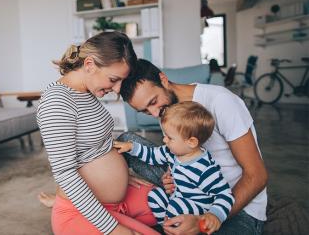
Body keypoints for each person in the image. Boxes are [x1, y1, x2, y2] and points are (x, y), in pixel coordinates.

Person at [118, 58, 268, 235]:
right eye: (144, 111)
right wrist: (172, 173)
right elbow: (179, 153)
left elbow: (257, 176)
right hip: (191, 193)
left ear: (163, 80)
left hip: (236, 206)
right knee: (125, 140)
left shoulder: (220, 101)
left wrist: (204, 221)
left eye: (152, 102)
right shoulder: (165, 110)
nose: (154, 113)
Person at [36, 32, 159, 235]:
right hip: (80, 211)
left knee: (172, 208)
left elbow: (94, 145)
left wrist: (119, 176)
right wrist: (113, 229)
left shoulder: (85, 91)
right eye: (113, 79)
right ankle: (61, 208)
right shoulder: (57, 103)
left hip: (112, 199)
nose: (118, 89)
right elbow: (65, 173)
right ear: (90, 65)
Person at [113, 101, 235, 235]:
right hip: (177, 197)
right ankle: (167, 226)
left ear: (191, 142)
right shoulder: (171, 151)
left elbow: (225, 194)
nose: (164, 140)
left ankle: (173, 226)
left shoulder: (204, 168)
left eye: (169, 138)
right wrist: (131, 147)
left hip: (197, 208)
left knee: (176, 206)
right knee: (154, 195)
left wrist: (215, 215)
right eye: (164, 135)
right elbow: (152, 155)